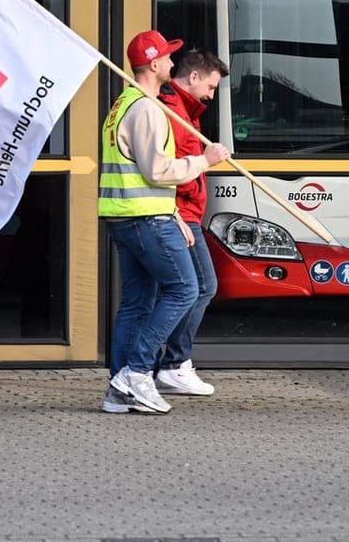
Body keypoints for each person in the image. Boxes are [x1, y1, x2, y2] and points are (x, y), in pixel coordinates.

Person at [99, 29, 228, 415]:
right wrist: (206, 160)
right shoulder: (147, 109)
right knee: (185, 289)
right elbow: (157, 170)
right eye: (168, 58)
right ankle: (136, 374)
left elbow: (139, 172)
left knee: (137, 303)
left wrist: (176, 214)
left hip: (132, 216)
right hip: (144, 219)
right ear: (154, 64)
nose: (173, 63)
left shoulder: (124, 104)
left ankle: (118, 393)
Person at [154, 47, 229, 398]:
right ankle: (172, 365)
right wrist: (206, 160)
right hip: (179, 213)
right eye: (211, 88)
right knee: (200, 286)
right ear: (194, 77)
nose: (211, 97)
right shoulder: (173, 111)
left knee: (189, 289)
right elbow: (173, 171)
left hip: (185, 212)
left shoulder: (186, 109)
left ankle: (167, 364)